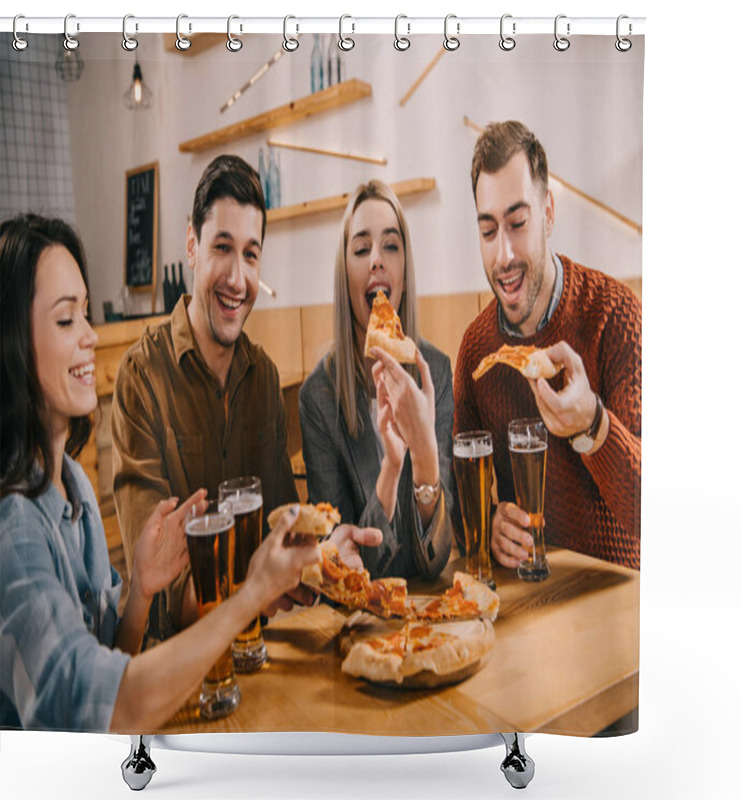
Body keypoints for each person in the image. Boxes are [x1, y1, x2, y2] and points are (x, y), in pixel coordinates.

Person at [0, 214, 321, 731]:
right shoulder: (12, 527)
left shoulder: (72, 485)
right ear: (11, 343)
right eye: (66, 321)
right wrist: (247, 599)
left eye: (86, 314)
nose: (90, 336)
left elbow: (114, 657)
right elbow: (111, 710)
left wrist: (142, 593)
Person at [111, 155, 379, 643]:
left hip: (263, 653)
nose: (238, 279)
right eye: (222, 248)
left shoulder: (264, 379)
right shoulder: (140, 378)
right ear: (191, 246)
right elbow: (159, 597)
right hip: (177, 676)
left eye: (251, 255)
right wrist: (260, 587)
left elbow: (284, 533)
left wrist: (322, 555)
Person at [454, 121, 641, 570]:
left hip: (615, 609)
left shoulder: (616, 315)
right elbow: (463, 519)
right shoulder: (476, 353)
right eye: (487, 231)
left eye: (518, 223)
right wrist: (488, 528)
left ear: (549, 213)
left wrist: (594, 425)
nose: (503, 256)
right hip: (528, 608)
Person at [299, 180, 454, 579]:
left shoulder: (434, 371)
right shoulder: (317, 397)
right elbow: (345, 568)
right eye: (361, 248)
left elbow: (438, 555)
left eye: (390, 245)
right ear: (344, 272)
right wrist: (392, 468)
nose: (376, 261)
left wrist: (423, 456)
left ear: (404, 269)